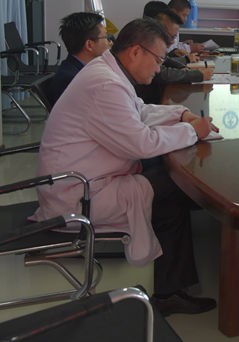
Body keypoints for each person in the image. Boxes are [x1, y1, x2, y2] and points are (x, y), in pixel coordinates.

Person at [33, 18, 218, 316]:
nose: (159, 68)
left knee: (169, 185)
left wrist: (182, 115)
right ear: (135, 52)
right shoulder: (105, 84)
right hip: (78, 194)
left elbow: (138, 111)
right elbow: (141, 143)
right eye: (158, 60)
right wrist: (193, 131)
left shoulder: (107, 71)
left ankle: (172, 286)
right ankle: (170, 292)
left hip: (81, 180)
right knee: (173, 188)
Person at [46, 12, 111, 105]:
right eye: (106, 37)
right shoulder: (73, 80)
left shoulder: (79, 69)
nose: (110, 43)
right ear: (89, 45)